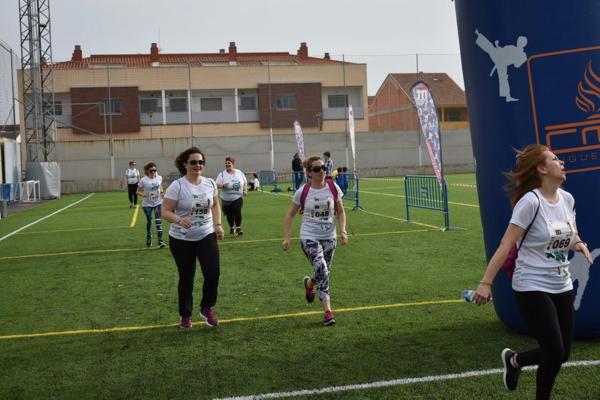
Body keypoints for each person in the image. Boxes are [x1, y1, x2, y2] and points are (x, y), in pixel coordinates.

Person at [472, 144, 593, 399]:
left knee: (563, 353)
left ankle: (514, 361)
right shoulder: (530, 202)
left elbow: (571, 234)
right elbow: (506, 244)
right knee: (554, 349)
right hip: (531, 284)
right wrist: (486, 283)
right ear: (541, 168)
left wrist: (579, 244)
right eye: (554, 159)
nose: (561, 162)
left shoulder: (567, 198)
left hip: (562, 283)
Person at [162, 147, 225, 329]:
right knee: (187, 277)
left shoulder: (210, 183)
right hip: (181, 239)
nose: (198, 165)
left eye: (200, 162)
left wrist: (218, 224)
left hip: (206, 234)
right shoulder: (178, 186)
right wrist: (179, 219)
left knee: (213, 273)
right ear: (185, 164)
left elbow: (215, 204)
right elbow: (165, 211)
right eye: (193, 162)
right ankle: (185, 314)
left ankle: (207, 308)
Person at [282, 155, 348, 326]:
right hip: (309, 236)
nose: (322, 171)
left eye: (324, 168)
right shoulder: (303, 191)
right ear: (309, 173)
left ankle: (309, 283)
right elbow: (290, 215)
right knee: (321, 268)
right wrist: (287, 238)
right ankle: (327, 311)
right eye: (317, 169)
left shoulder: (333, 188)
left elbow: (340, 212)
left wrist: (343, 230)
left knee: (323, 271)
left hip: (329, 237)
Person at [215, 156, 248, 236]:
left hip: (237, 197)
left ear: (233, 164)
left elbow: (245, 182)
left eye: (229, 163)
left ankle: (238, 227)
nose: (227, 164)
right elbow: (216, 185)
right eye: (226, 163)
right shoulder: (222, 174)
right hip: (226, 199)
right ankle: (232, 227)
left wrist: (245, 190)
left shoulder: (239, 172)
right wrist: (222, 186)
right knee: (229, 214)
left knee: (237, 211)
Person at [136, 162, 165, 248]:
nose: (153, 172)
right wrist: (143, 194)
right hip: (147, 205)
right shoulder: (143, 180)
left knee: (158, 221)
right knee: (149, 221)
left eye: (155, 170)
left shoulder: (159, 178)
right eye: (151, 170)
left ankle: (160, 241)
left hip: (158, 203)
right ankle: (149, 236)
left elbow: (160, 186)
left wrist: (162, 191)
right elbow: (137, 191)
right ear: (147, 171)